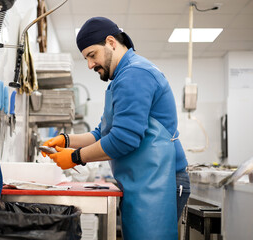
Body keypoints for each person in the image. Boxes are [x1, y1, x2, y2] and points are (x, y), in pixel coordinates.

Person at [42, 17, 190, 239]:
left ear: (111, 42)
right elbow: (101, 134)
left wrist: (75, 157)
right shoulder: (121, 79)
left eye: (92, 55)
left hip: (161, 181)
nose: (90, 64)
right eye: (86, 59)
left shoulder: (135, 74)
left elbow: (123, 139)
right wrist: (66, 140)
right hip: (144, 181)